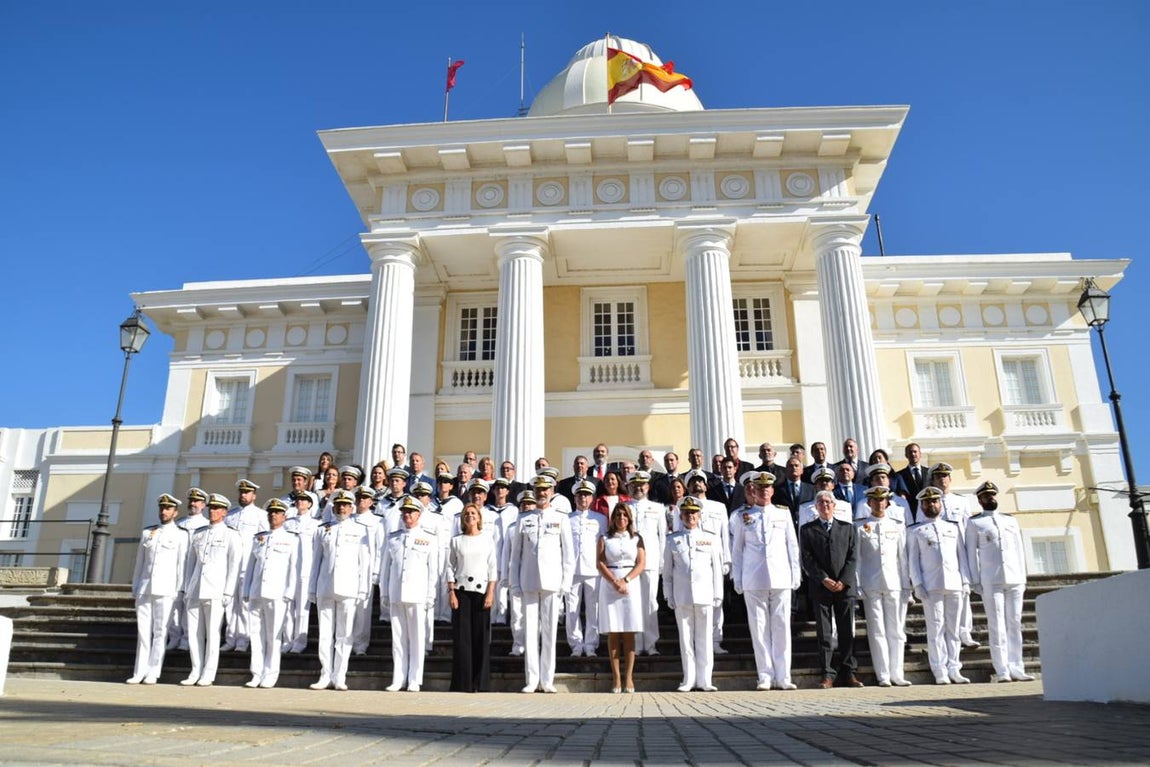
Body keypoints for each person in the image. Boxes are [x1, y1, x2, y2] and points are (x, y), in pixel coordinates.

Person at [731, 472, 801, 690]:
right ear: (754, 491)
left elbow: (792, 545)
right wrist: (738, 577)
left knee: (781, 627)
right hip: (754, 578)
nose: (763, 492)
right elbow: (738, 550)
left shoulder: (783, 513)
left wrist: (795, 573)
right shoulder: (744, 516)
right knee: (759, 628)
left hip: (781, 577)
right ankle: (765, 675)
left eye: (767, 488)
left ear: (772, 490)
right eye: (759, 488)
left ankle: (783, 675)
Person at [508, 475, 574, 693]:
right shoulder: (524, 518)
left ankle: (547, 679)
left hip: (552, 582)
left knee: (549, 632)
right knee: (529, 633)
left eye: (545, 490)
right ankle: (531, 679)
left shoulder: (561, 518)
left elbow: (568, 556)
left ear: (552, 490)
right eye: (538, 490)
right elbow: (515, 556)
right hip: (528, 581)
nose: (541, 493)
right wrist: (514, 583)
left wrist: (565, 584)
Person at [966, 481, 1034, 683]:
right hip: (991, 579)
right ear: (980, 500)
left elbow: (1019, 549)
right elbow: (971, 554)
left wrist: (1022, 576)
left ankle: (1017, 666)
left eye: (993, 495)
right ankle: (1002, 668)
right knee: (996, 624)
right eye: (987, 496)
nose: (991, 499)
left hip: (1014, 578)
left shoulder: (1010, 521)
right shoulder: (975, 523)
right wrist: (975, 580)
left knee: (1014, 622)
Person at [908, 486, 972, 685]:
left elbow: (962, 556)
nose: (931, 505)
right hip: (931, 585)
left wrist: (966, 581)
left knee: (953, 629)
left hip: (954, 583)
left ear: (940, 504)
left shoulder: (953, 528)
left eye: (935, 501)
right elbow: (913, 560)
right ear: (922, 506)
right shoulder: (916, 530)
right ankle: (939, 669)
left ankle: (954, 668)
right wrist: (917, 583)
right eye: (927, 502)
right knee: (936, 629)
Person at [309, 489, 371, 691]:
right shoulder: (322, 529)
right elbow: (315, 561)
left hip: (349, 587)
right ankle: (325, 674)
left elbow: (365, 564)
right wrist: (312, 588)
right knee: (325, 635)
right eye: (338, 505)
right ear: (333, 507)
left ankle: (339, 675)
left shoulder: (360, 530)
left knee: (344, 635)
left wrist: (363, 589)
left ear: (352, 507)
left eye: (345, 505)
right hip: (325, 586)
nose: (341, 508)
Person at [800, 490, 863, 689]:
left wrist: (843, 581)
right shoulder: (807, 529)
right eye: (821, 502)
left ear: (834, 506)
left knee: (846, 631)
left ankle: (849, 672)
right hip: (821, 587)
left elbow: (853, 557)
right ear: (816, 507)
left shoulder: (848, 528)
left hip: (844, 588)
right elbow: (807, 559)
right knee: (825, 633)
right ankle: (827, 673)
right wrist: (824, 579)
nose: (825, 505)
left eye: (828, 502)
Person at [181, 493, 243, 687]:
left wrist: (228, 592)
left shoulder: (231, 534)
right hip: (195, 588)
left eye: (216, 509)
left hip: (216, 589)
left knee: (213, 632)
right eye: (211, 508)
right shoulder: (199, 533)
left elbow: (234, 565)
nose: (212, 511)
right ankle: (195, 670)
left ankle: (209, 672)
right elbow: (190, 563)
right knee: (193, 633)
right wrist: (186, 588)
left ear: (224, 512)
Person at [663, 496, 724, 692]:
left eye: (694, 513)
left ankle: (705, 679)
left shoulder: (711, 538)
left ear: (700, 515)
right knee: (686, 638)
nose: (690, 516)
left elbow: (716, 568)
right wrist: (668, 595)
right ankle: (688, 678)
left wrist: (718, 593)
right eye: (687, 513)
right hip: (682, 595)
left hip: (705, 593)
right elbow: (668, 572)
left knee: (705, 637)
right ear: (681, 515)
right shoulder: (672, 540)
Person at [127, 493, 189, 685]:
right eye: (162, 508)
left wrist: (179, 591)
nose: (164, 511)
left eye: (168, 508)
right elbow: (140, 563)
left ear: (175, 512)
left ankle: (153, 671)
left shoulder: (181, 535)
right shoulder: (148, 533)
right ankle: (139, 671)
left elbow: (181, 565)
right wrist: (136, 586)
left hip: (166, 589)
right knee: (143, 632)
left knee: (160, 632)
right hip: (146, 588)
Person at [380, 496, 439, 692]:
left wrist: (431, 594)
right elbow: (385, 569)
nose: (407, 515)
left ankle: (415, 678)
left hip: (418, 592)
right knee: (398, 638)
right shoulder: (392, 537)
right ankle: (399, 677)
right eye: (404, 512)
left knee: (416, 638)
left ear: (419, 514)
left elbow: (433, 570)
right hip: (396, 592)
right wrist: (384, 593)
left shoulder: (429, 537)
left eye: (411, 512)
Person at [855, 487, 912, 687]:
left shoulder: (896, 525)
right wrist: (858, 584)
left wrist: (906, 585)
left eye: (882, 500)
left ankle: (898, 673)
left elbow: (902, 558)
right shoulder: (860, 526)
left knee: (896, 629)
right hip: (870, 582)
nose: (879, 503)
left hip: (894, 582)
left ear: (887, 503)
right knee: (877, 630)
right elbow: (858, 559)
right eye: (874, 500)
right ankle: (883, 674)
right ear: (868, 503)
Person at [243, 498, 300, 688]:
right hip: (257, 591)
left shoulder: (291, 538)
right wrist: (246, 589)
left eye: (277, 513)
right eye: (270, 513)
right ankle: (256, 672)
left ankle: (271, 673)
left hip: (277, 592)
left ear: (284, 517)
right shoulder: (259, 538)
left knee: (274, 635)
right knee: (256, 634)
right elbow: (251, 566)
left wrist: (289, 592)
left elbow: (293, 568)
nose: (273, 515)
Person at [447, 503, 497, 692]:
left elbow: (492, 568)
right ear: (462, 518)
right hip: (461, 592)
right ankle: (463, 683)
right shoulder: (456, 541)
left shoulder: (487, 539)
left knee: (480, 638)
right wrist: (451, 591)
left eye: (473, 513)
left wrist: (490, 592)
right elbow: (450, 567)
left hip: (481, 592)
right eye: (466, 513)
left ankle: (480, 683)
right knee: (462, 640)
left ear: (479, 517)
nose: (470, 516)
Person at [597, 502, 646, 693]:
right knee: (614, 631)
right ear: (613, 518)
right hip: (610, 584)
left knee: (629, 631)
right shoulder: (604, 538)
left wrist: (625, 580)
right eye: (618, 516)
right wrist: (615, 582)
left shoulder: (636, 538)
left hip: (630, 583)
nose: (621, 519)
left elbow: (641, 563)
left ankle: (629, 677)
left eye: (624, 516)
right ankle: (616, 678)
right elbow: (600, 563)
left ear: (629, 518)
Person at [930, 462, 979, 649]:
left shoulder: (961, 501)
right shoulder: (929, 501)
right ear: (933, 480)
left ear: (950, 479)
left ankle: (964, 632)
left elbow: (968, 528)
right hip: (937, 553)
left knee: (963, 593)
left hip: (959, 550)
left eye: (945, 476)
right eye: (938, 477)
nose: (942, 480)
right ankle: (945, 633)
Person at [223, 478, 268, 652]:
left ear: (254, 495)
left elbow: (263, 541)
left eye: (247, 492)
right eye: (241, 492)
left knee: (244, 604)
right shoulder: (230, 515)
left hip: (246, 565)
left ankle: (243, 640)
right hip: (229, 566)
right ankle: (230, 638)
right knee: (229, 605)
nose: (243, 495)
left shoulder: (260, 516)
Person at [627, 471, 666, 656]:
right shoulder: (623, 507)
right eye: (634, 485)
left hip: (651, 560)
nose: (638, 488)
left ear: (648, 487)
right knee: (632, 602)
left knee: (651, 602)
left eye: (642, 484)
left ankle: (650, 644)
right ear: (629, 487)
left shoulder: (657, 508)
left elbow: (663, 536)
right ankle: (635, 642)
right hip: (629, 562)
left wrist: (663, 563)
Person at [566, 480, 606, 657]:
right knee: (572, 608)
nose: (583, 498)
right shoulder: (567, 519)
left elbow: (603, 545)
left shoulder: (600, 519)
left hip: (593, 569)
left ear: (592, 498)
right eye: (580, 495)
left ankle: (591, 644)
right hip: (571, 570)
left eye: (587, 495)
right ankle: (575, 644)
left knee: (593, 608)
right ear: (574, 498)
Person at [168, 487, 209, 651]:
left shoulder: (206, 525)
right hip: (178, 568)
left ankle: (187, 639)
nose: (193, 504)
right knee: (175, 605)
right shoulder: (179, 524)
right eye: (191, 501)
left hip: (196, 570)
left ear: (203, 505)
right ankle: (174, 636)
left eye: (197, 501)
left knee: (192, 606)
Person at [283, 489, 320, 653]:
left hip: (306, 570)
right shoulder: (287, 523)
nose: (300, 502)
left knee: (302, 610)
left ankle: (299, 641)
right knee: (287, 608)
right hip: (288, 570)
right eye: (298, 500)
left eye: (304, 500)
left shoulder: (316, 525)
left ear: (310, 504)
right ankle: (287, 640)